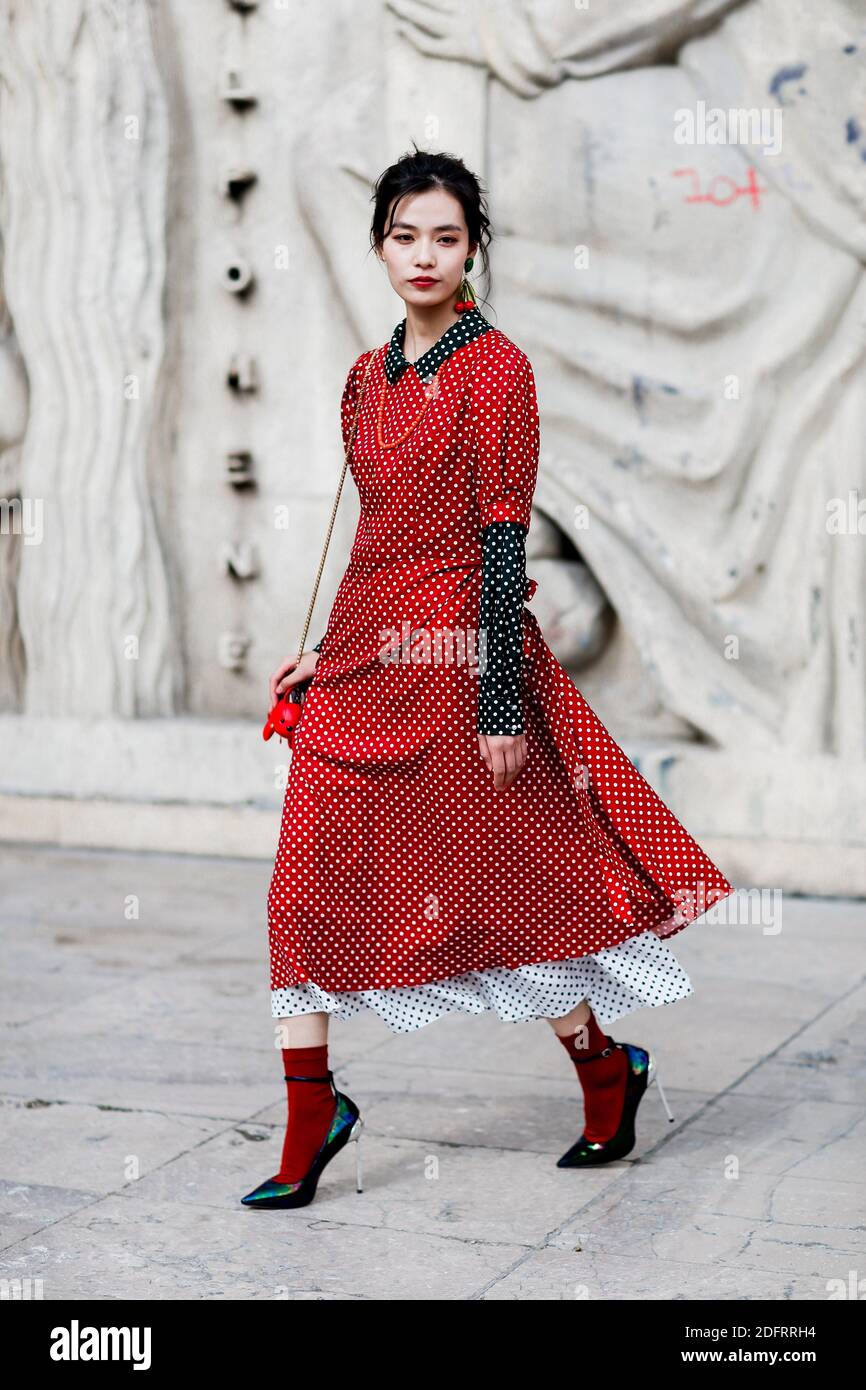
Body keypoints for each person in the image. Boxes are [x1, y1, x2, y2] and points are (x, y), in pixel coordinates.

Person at [241, 147, 735, 1211]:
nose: (423, 254)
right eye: (405, 234)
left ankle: (606, 1069)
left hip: (466, 666)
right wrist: (327, 651)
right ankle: (309, 1110)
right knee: (300, 887)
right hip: (366, 662)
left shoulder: (497, 369)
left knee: (510, 896)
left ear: (472, 250)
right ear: (379, 244)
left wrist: (501, 701)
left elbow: (500, 541)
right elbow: (376, 536)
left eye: (445, 236)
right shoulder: (360, 380)